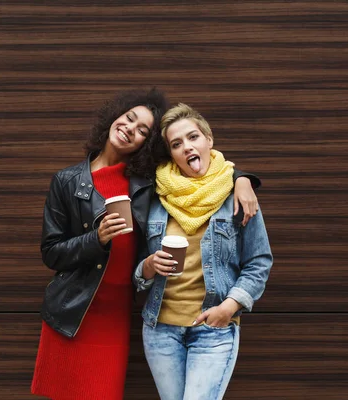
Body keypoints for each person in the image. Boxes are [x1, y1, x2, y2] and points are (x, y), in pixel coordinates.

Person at [31, 89, 261, 399]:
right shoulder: (67, 181)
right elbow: (52, 252)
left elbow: (199, 168)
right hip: (73, 310)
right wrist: (96, 239)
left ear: (146, 144)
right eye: (129, 119)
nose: (130, 129)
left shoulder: (147, 183)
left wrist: (242, 179)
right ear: (115, 118)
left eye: (142, 131)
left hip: (118, 313)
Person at [134, 103, 273, 400]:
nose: (186, 147)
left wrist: (229, 308)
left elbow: (259, 262)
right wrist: (146, 267)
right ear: (170, 154)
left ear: (209, 139)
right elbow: (133, 264)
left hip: (214, 329)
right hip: (160, 329)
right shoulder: (155, 197)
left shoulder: (236, 194)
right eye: (176, 144)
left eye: (193, 137)